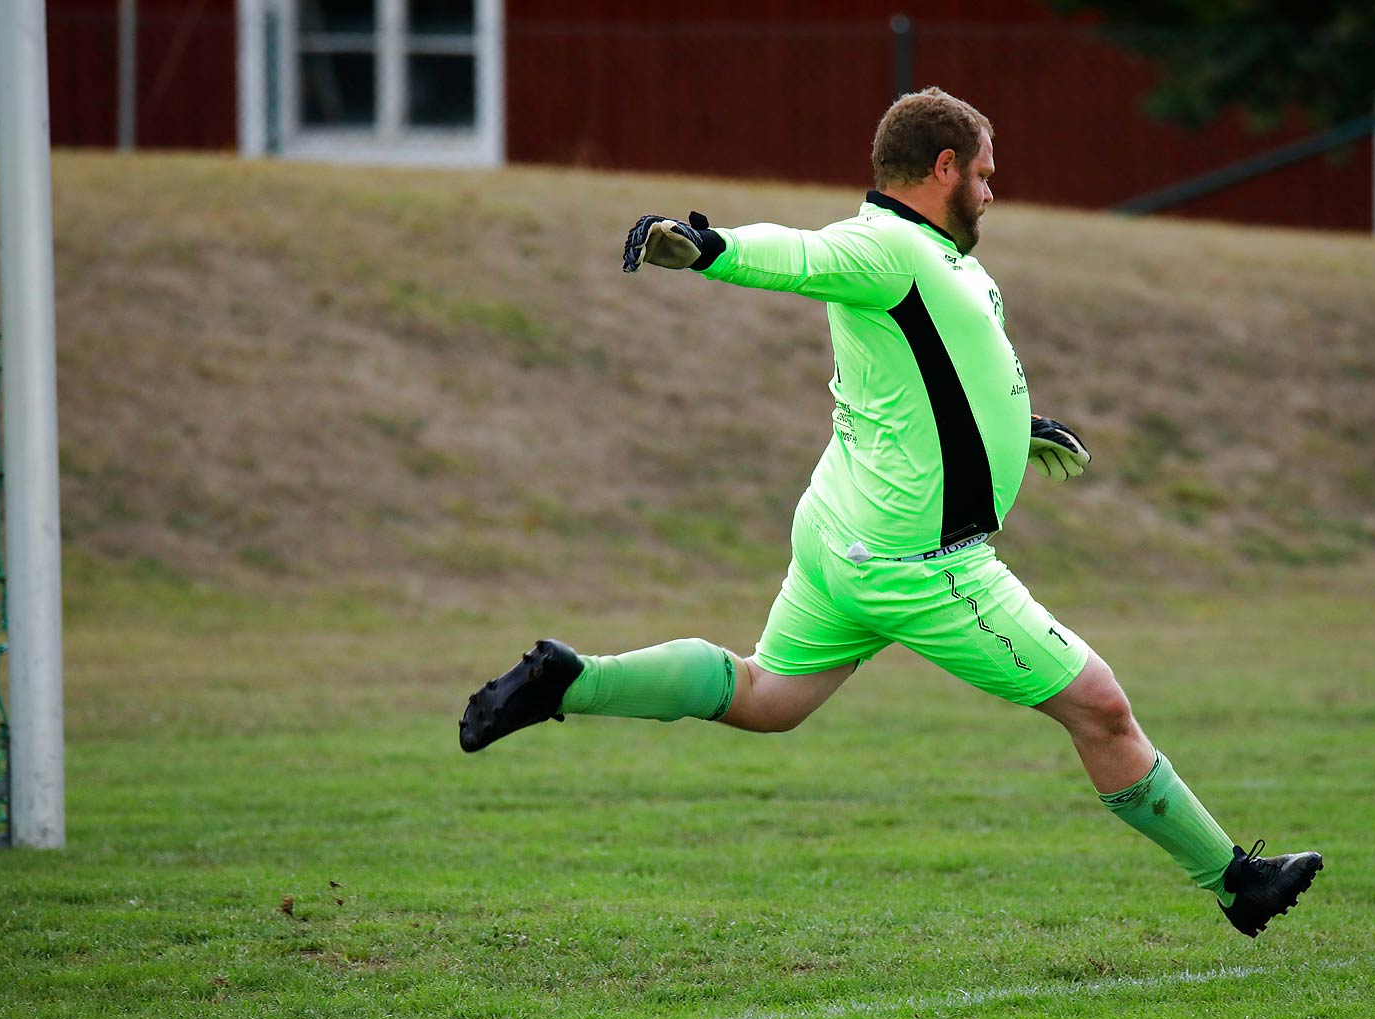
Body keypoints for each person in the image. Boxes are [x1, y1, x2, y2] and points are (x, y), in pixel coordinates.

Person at [460, 87, 1321, 938]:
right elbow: (801, 254)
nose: (992, 192)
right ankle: (1235, 880)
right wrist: (713, 247)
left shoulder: (940, 262)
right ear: (942, 167)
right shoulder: (887, 247)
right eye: (982, 174)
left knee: (768, 697)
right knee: (1101, 708)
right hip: (921, 565)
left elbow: (935, 378)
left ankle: (572, 678)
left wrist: (1016, 430)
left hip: (843, 532)